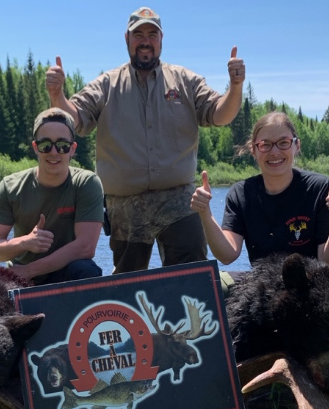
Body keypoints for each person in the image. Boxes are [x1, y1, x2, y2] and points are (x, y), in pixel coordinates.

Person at [45, 6, 245, 273]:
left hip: (179, 200)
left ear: (161, 40)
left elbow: (221, 114)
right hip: (124, 204)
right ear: (127, 39)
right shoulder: (106, 84)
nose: (145, 40)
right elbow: (76, 120)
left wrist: (235, 87)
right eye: (138, 34)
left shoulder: (185, 80)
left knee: (192, 275)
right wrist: (57, 95)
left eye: (152, 34)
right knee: (128, 281)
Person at [190, 112, 329, 280]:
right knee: (211, 283)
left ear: (297, 146)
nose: (274, 152)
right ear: (254, 150)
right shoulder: (241, 193)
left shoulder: (319, 189)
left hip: (317, 284)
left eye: (283, 143)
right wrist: (205, 213)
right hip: (267, 286)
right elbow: (227, 255)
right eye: (265, 145)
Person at [0, 108, 104, 285]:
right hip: (19, 276)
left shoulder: (87, 183)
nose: (54, 152)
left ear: (72, 149)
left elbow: (85, 248)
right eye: (45, 145)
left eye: (62, 145)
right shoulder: (10, 187)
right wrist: (25, 242)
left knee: (86, 270)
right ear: (35, 148)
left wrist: (29, 271)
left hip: (62, 274)